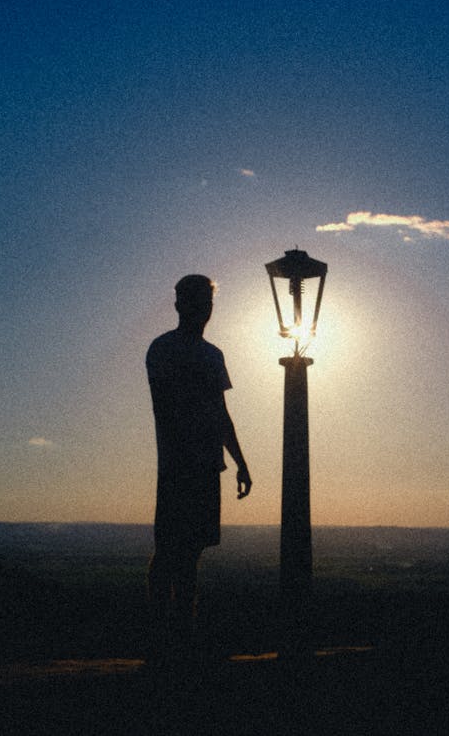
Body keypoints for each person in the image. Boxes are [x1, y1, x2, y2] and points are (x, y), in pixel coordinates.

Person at [146, 274, 252, 662]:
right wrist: (235, 460)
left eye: (208, 301)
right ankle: (163, 639)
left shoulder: (210, 354)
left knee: (189, 555)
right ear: (179, 304)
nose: (204, 308)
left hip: (205, 466)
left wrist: (239, 461)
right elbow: (183, 408)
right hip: (180, 466)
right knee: (172, 552)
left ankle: (178, 638)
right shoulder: (165, 350)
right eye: (197, 301)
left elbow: (221, 414)